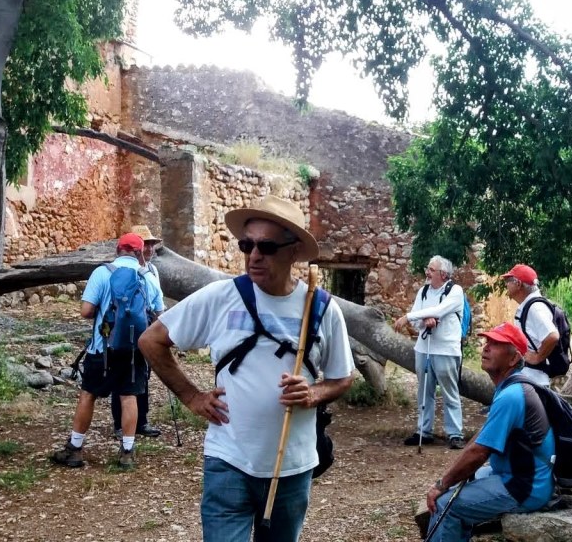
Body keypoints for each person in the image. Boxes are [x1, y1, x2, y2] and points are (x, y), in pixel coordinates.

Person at [138, 195, 354, 542]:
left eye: (266, 246)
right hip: (229, 460)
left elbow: (343, 378)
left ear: (294, 250)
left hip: (292, 466)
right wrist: (191, 396)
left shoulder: (323, 309)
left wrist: (315, 392)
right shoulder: (221, 297)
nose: (254, 255)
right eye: (247, 245)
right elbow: (151, 340)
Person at [425, 322, 555, 542]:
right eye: (487, 342)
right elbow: (482, 438)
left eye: (496, 344)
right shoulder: (509, 388)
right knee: (452, 487)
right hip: (512, 475)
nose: (486, 347)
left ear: (513, 359)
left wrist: (441, 484)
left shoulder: (511, 395)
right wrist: (450, 477)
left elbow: (479, 452)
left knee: (445, 504)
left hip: (524, 487)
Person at [51, 232, 164, 469]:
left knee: (88, 395)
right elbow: (158, 315)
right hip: (134, 350)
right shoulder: (149, 277)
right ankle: (127, 452)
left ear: (118, 250)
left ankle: (75, 449)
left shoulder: (102, 273)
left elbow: (85, 311)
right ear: (139, 252)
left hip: (102, 348)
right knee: (128, 397)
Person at [393, 255, 466, 450]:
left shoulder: (455, 291)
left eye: (431, 270)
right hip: (424, 348)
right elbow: (418, 322)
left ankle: (455, 433)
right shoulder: (423, 291)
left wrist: (408, 317)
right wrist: (423, 319)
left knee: (450, 391)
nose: (427, 272)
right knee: (424, 391)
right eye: (428, 269)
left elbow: (441, 310)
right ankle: (424, 431)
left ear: (443, 274)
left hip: (446, 349)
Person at [110, 224, 164, 439]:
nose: (150, 249)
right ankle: (121, 423)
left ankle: (140, 420)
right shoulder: (118, 271)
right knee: (122, 377)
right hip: (123, 331)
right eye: (146, 245)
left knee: (142, 376)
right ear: (137, 249)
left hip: (145, 330)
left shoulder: (152, 270)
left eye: (152, 244)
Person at [502, 264, 559, 388]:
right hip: (532, 379)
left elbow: (553, 335)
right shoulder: (530, 305)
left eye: (508, 281)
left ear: (518, 284)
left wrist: (537, 357)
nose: (506, 285)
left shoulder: (535, 308)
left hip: (535, 381)